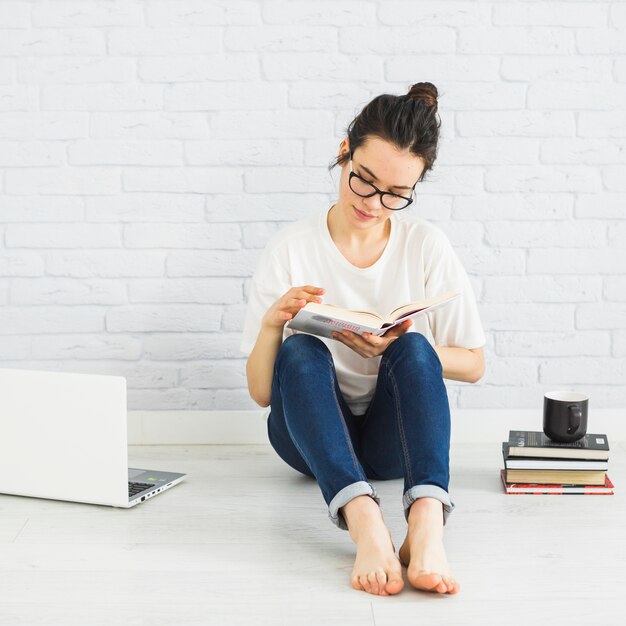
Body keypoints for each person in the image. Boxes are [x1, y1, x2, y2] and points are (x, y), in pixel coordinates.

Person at [240, 82, 486, 597]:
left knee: (416, 344)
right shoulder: (290, 247)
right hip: (305, 438)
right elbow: (263, 394)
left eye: (396, 194)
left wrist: (396, 345)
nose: (375, 204)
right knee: (299, 348)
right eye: (363, 182)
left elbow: (473, 363)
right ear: (343, 152)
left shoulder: (426, 245)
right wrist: (272, 324)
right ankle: (365, 522)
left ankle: (425, 525)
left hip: (390, 436)